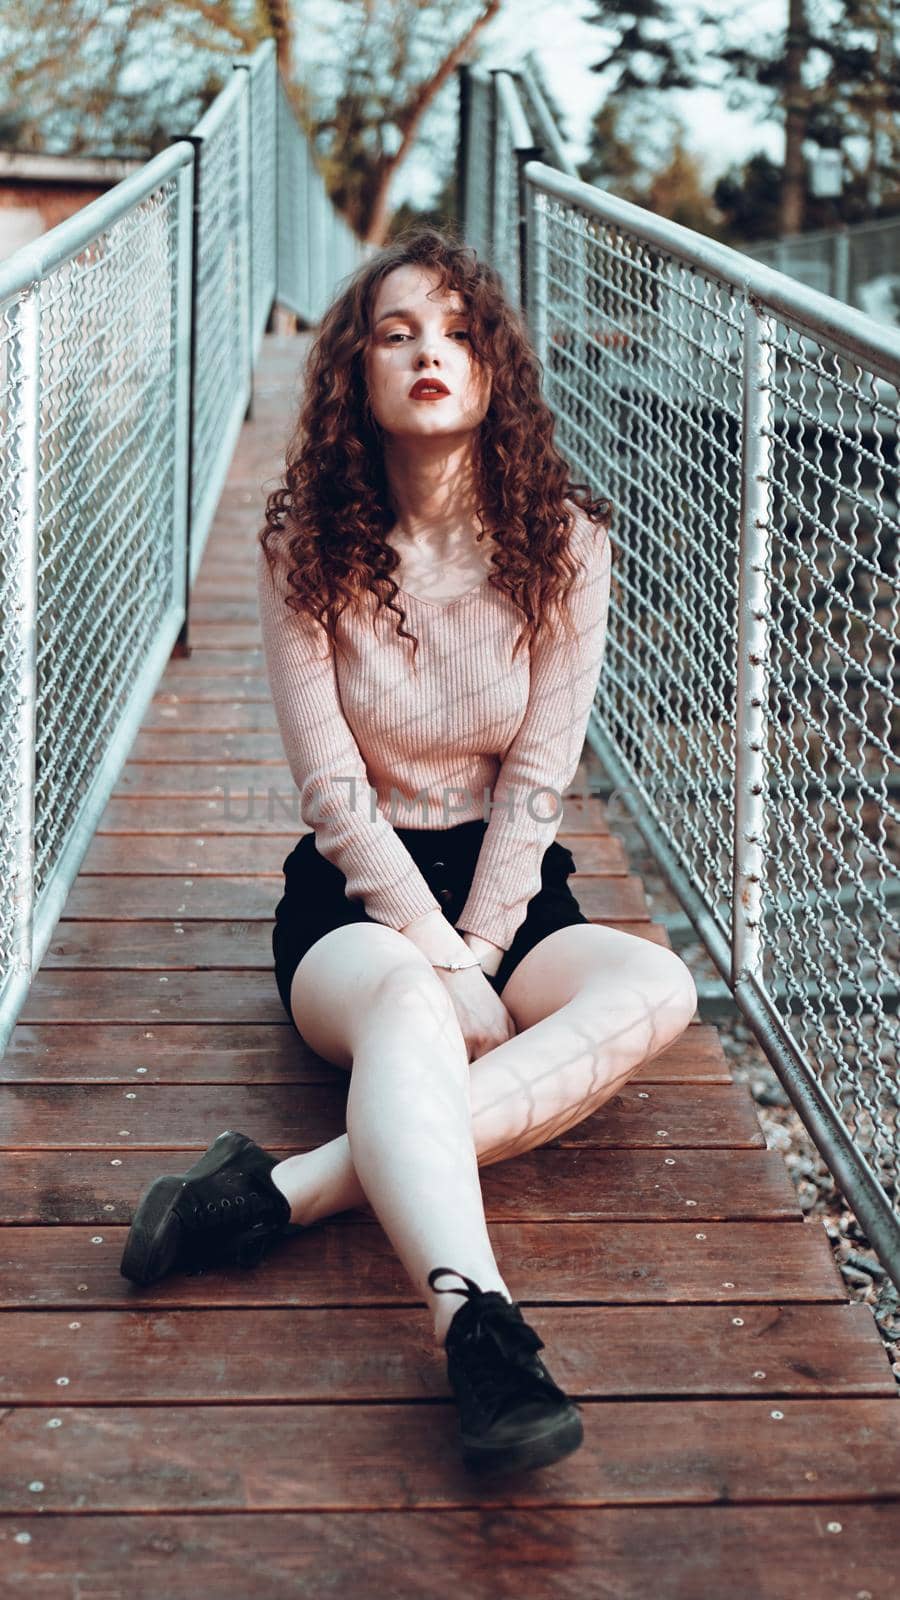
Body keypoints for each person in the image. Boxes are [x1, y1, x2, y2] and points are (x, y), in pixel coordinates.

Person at [120, 226, 698, 1477]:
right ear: (357, 378)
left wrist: (485, 943)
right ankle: (478, 1325)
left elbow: (541, 777)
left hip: (511, 885)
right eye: (397, 333)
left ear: (491, 368)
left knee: (658, 986)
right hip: (354, 899)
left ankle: (282, 1189)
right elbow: (331, 788)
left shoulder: (569, 543)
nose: (430, 351)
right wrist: (435, 956)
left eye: (455, 330)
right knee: (413, 1011)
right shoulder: (303, 548)